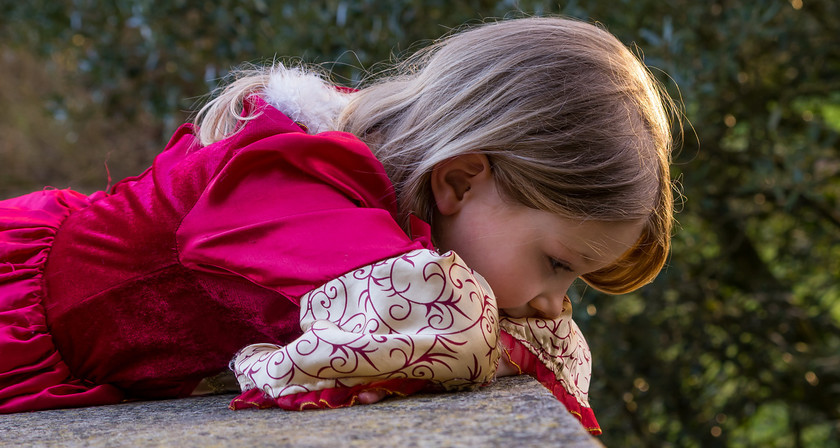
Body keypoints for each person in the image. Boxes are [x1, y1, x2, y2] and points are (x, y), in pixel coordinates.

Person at [0, 16, 675, 435]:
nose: (556, 303)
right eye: (557, 264)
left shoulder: (389, 207)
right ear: (461, 180)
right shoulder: (299, 179)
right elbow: (432, 325)